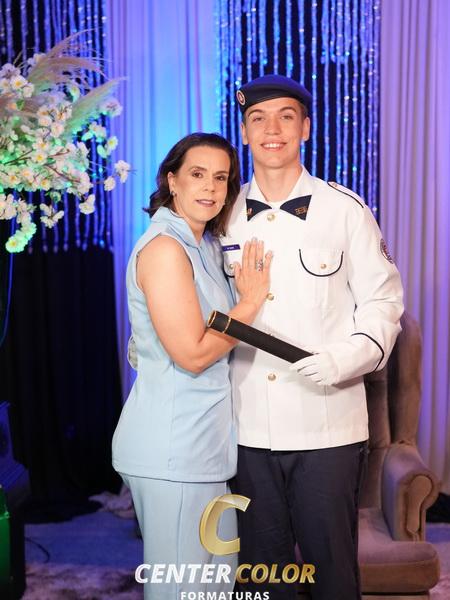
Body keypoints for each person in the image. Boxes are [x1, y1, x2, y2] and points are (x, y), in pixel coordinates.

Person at [220, 75, 404, 600]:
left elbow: (384, 302)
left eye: (285, 117)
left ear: (305, 127)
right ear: (244, 132)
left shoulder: (346, 209)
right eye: (258, 119)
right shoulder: (221, 214)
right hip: (246, 427)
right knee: (262, 577)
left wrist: (346, 358)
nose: (271, 130)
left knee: (332, 574)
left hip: (328, 426)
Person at [112, 132, 272, 599]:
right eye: (197, 174)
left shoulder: (204, 244)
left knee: (214, 587)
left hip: (205, 450)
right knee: (182, 591)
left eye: (221, 178)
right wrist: (250, 303)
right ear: (172, 181)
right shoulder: (165, 249)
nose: (210, 187)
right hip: (172, 451)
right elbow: (192, 354)